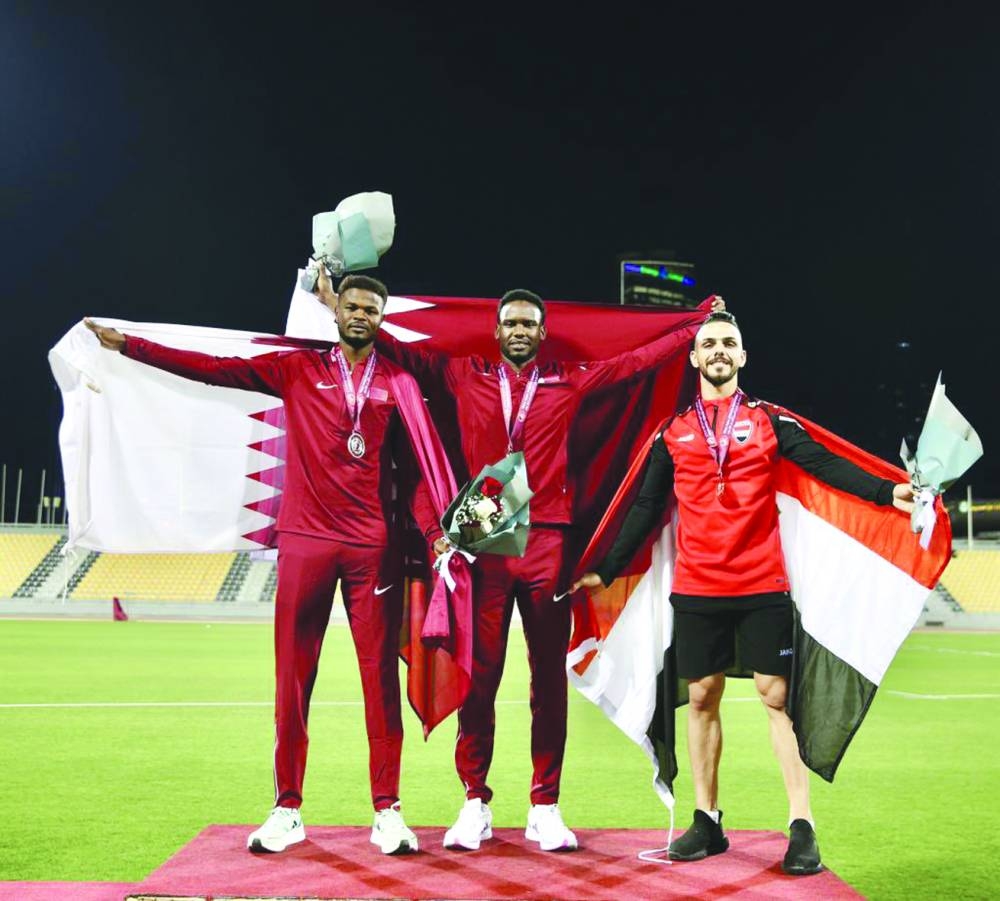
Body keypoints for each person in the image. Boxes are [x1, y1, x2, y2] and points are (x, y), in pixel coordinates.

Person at [316, 269, 724, 852]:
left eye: (529, 324)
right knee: (479, 676)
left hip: (546, 540)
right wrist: (334, 304)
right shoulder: (463, 373)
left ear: (542, 331)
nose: (519, 331)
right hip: (484, 539)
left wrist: (692, 329)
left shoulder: (568, 380)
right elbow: (392, 343)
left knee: (545, 682)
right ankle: (474, 801)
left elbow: (634, 362)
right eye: (510, 323)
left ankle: (545, 805)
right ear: (496, 329)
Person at [84, 274, 453, 856]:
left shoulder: (400, 385)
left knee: (379, 681)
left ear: (382, 318)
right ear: (336, 314)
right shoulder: (296, 370)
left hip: (369, 548)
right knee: (292, 679)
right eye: (352, 306)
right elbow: (214, 366)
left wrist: (435, 533)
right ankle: (286, 808)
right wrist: (133, 347)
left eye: (371, 309)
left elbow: (419, 475)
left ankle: (388, 811)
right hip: (306, 539)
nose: (360, 315)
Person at [572, 310, 915, 875]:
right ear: (694, 358)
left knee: (775, 699)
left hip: (762, 586)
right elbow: (645, 509)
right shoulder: (673, 432)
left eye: (729, 342)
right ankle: (707, 821)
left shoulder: (769, 422)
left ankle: (802, 826)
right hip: (698, 589)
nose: (719, 351)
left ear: (743, 356)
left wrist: (887, 492)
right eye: (709, 343)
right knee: (702, 697)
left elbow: (826, 466)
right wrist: (607, 570)